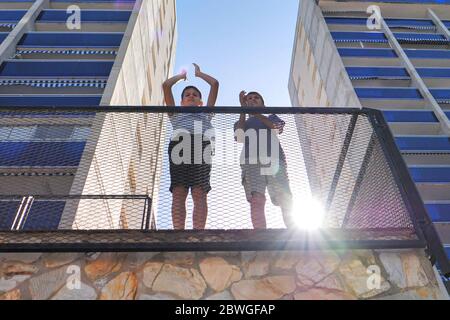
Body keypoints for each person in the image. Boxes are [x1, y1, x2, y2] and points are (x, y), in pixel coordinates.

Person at [162, 63, 219, 230]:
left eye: (195, 94)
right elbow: (166, 86)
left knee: (199, 191)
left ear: (201, 102)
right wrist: (181, 77)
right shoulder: (176, 114)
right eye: (187, 95)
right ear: (181, 102)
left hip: (202, 145)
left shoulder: (205, 113)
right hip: (179, 146)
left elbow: (215, 84)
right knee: (179, 192)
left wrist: (199, 74)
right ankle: (179, 233)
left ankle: (198, 233)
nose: (191, 96)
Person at [234, 91, 294, 229]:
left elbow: (276, 128)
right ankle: (260, 234)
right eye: (249, 98)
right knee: (257, 198)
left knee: (284, 197)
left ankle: (293, 232)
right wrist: (243, 110)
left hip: (275, 159)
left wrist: (256, 114)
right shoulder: (241, 121)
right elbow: (239, 137)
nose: (253, 100)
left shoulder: (271, 116)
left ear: (263, 103)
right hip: (251, 161)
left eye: (256, 98)